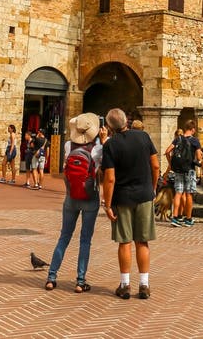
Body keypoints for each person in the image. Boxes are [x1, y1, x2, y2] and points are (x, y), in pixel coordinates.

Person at [45, 113, 107, 293]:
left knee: (64, 237)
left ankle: (51, 276)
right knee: (85, 240)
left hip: (70, 197)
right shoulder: (97, 149)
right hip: (90, 197)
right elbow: (105, 166)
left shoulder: (67, 145)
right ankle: (80, 281)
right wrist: (103, 141)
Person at [103, 107, 160, 299]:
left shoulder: (110, 145)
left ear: (110, 127)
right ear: (126, 121)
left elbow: (109, 178)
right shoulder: (143, 137)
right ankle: (144, 284)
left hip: (123, 197)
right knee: (142, 241)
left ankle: (125, 284)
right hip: (144, 195)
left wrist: (107, 204)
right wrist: (152, 188)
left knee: (125, 241)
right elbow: (156, 165)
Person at [165, 119, 202, 227]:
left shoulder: (178, 139)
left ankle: (175, 217)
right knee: (189, 194)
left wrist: (171, 164)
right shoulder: (195, 141)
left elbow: (167, 151)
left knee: (178, 192)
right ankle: (188, 218)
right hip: (189, 170)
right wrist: (199, 158)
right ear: (193, 129)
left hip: (178, 170)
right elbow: (199, 157)